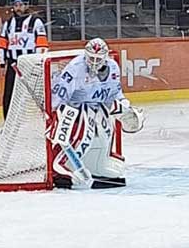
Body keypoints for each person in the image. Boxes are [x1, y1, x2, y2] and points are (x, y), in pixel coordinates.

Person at [47, 37, 141, 190]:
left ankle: (98, 163)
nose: (94, 62)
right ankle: (61, 165)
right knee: (84, 132)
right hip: (75, 108)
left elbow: (114, 94)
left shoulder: (113, 68)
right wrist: (53, 113)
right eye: (91, 58)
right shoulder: (75, 67)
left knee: (108, 129)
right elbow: (60, 94)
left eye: (98, 59)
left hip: (98, 107)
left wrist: (124, 106)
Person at [0, 0, 48, 118]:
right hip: (13, 64)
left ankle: (35, 119)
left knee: (33, 94)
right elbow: (3, 44)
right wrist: (2, 63)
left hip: (30, 65)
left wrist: (38, 62)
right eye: (16, 4)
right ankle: (8, 122)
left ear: (26, 5)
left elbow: (42, 44)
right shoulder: (8, 24)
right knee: (9, 94)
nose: (18, 7)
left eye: (21, 4)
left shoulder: (36, 22)